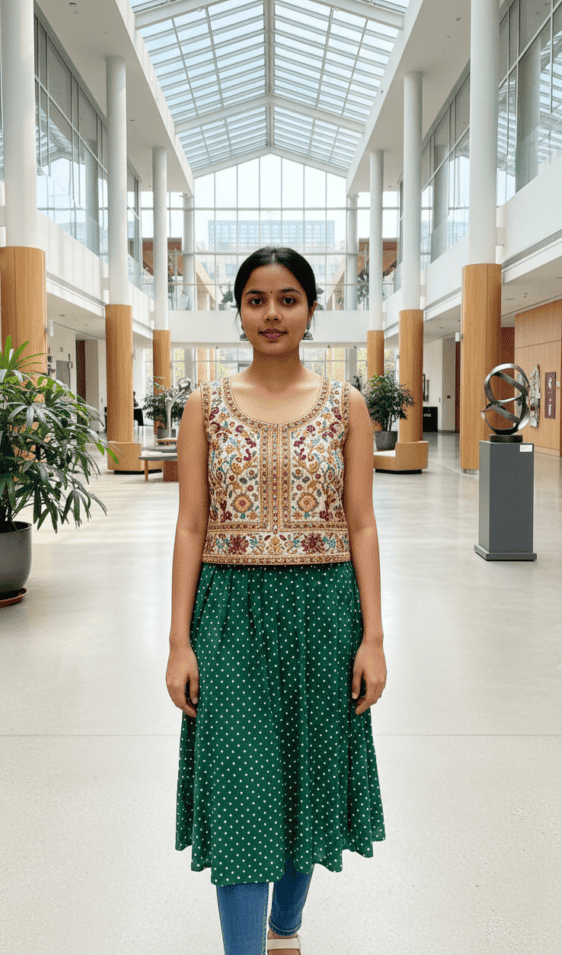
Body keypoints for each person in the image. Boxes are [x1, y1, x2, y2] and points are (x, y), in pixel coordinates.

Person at [166, 246, 387, 955]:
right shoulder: (203, 406)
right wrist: (178, 641)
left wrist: (373, 637)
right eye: (257, 299)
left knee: (304, 777)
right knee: (240, 791)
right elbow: (191, 525)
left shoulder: (346, 405)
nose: (272, 313)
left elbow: (361, 524)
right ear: (238, 310)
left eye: (288, 298)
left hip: (324, 613)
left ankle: (284, 931)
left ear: (311, 310)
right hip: (228, 615)